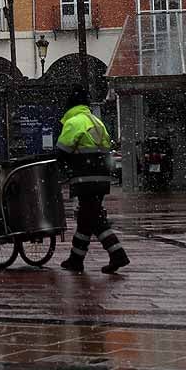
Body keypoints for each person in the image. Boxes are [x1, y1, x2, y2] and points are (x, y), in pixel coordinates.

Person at [56, 86, 129, 274]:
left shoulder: (74, 122)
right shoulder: (96, 121)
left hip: (84, 178)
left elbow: (62, 151)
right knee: (87, 218)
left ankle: (117, 254)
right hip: (100, 178)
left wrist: (60, 168)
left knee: (92, 219)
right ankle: (76, 258)